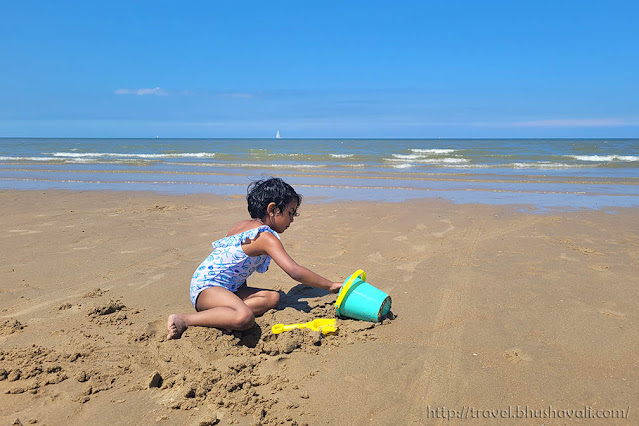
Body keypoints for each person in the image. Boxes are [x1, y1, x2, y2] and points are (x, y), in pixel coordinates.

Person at [167, 177, 342, 339]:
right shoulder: (265, 237)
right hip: (208, 288)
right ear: (273, 210)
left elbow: (236, 269)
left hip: (224, 288)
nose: (292, 220)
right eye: (290, 212)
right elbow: (294, 271)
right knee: (245, 317)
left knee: (273, 298)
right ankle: (185, 320)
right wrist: (330, 285)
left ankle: (222, 317)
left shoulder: (241, 226)